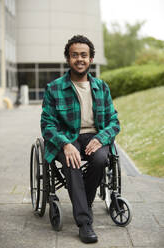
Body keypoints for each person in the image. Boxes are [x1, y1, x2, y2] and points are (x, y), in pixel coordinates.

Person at [41, 35, 120, 243]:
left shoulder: (101, 87)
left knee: (101, 159)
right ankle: (85, 222)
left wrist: (102, 138)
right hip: (65, 138)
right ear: (68, 58)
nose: (79, 59)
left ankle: (82, 201)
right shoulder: (54, 88)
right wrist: (66, 144)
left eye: (84, 55)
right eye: (74, 55)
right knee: (72, 161)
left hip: (94, 136)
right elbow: (47, 125)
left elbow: (114, 122)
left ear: (91, 59)